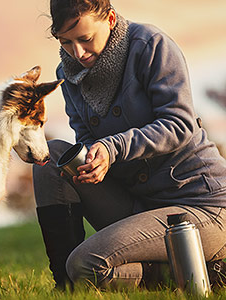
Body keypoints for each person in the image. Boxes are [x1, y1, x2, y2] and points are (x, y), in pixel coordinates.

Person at [33, 0, 226, 291]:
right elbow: (85, 136)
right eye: (66, 42)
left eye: (85, 39)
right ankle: (67, 287)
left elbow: (179, 124)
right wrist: (94, 162)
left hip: (198, 204)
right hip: (136, 204)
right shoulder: (68, 73)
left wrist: (112, 149)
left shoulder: (150, 45)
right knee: (53, 160)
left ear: (110, 19)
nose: (78, 53)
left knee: (86, 265)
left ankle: (209, 271)